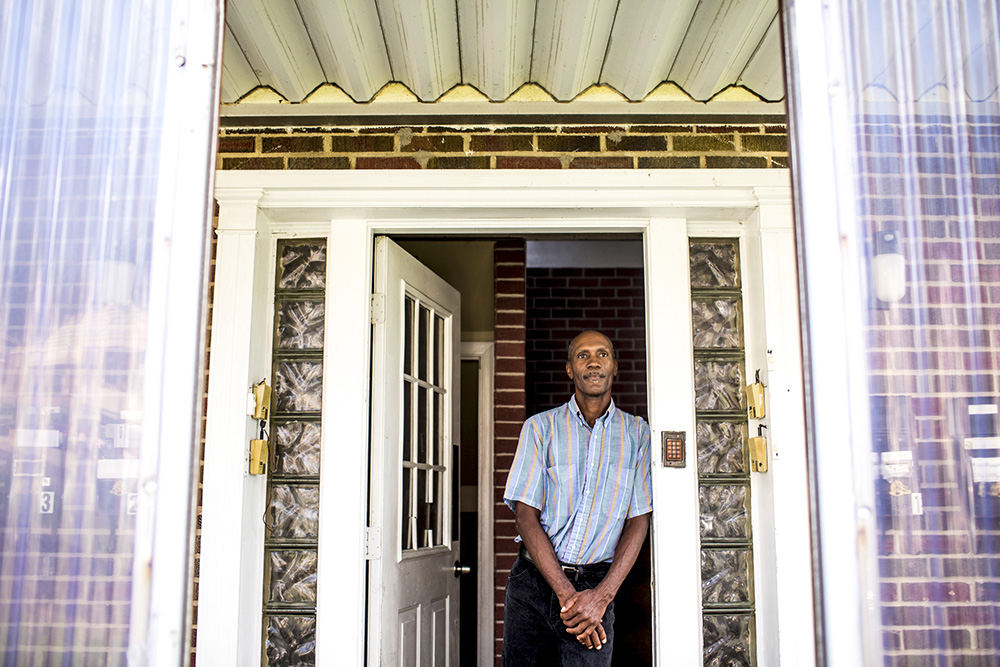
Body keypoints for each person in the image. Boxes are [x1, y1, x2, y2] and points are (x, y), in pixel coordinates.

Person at [502, 330, 652, 666]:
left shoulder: (638, 434)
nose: (594, 362)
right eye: (583, 355)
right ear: (570, 368)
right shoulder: (540, 428)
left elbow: (639, 518)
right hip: (534, 583)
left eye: (603, 354)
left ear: (615, 367)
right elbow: (525, 515)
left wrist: (601, 598)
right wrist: (568, 596)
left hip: (598, 585)